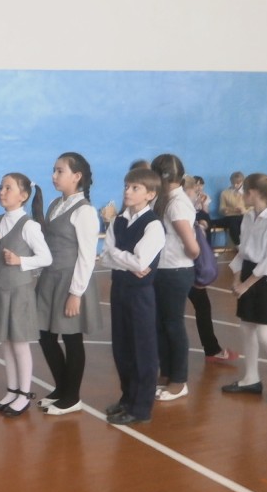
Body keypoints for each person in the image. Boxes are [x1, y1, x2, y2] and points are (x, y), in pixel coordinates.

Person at [36, 152, 104, 416]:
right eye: (54, 170)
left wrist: (76, 293)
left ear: (77, 176)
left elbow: (87, 256)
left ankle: (72, 396)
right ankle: (62, 388)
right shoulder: (56, 204)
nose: (54, 176)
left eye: (60, 171)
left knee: (72, 338)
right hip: (50, 279)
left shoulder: (85, 211)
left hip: (70, 281)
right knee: (45, 336)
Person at [221, 173, 267, 404]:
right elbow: (243, 251)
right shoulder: (248, 217)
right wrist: (237, 279)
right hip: (248, 273)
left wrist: (245, 285)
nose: (242, 195)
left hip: (266, 278)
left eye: (245, 191)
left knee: (265, 333)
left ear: (253, 193)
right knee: (246, 328)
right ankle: (251, 378)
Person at [0, 174, 52, 417]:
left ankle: (24, 395)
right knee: (5, 343)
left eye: (8, 188)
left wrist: (21, 260)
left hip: (19, 292)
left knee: (20, 344)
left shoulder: (29, 226)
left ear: (23, 196)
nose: (2, 191)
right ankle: (11, 391)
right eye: (0, 187)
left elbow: (46, 258)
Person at [100, 167, 165, 427]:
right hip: (119, 288)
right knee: (122, 348)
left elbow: (140, 263)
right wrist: (125, 260)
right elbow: (105, 257)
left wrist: (119, 256)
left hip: (140, 294)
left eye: (135, 188)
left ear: (150, 194)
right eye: (127, 186)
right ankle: (127, 398)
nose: (127, 191)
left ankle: (141, 407)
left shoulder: (153, 225)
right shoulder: (119, 221)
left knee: (143, 350)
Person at [151, 154, 200, 403]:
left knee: (173, 325)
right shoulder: (164, 199)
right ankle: (167, 373)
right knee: (161, 325)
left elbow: (192, 246)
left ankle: (179, 380)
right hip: (163, 270)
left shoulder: (177, 204)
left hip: (176, 271)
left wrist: (189, 254)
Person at [183, 175, 239, 363]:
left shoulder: (185, 208)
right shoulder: (181, 209)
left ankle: (212, 349)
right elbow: (190, 243)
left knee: (201, 306)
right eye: (194, 190)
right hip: (183, 268)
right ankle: (210, 350)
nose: (197, 193)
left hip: (185, 268)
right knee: (179, 312)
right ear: (187, 191)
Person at [213, 171, 247, 246]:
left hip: (244, 217)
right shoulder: (225, 193)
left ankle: (240, 245)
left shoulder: (247, 193)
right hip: (230, 217)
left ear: (242, 182)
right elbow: (221, 208)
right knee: (232, 221)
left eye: (238, 183)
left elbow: (252, 208)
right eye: (233, 183)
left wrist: (244, 211)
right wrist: (224, 210)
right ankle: (239, 245)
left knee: (236, 222)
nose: (235, 185)